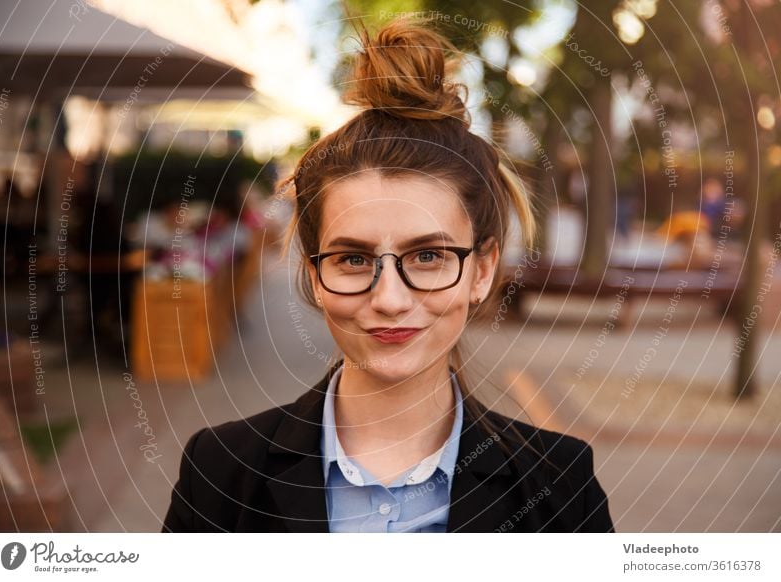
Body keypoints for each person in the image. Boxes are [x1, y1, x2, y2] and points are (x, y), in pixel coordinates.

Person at [161, 17, 615, 533]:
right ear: (313, 274)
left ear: (483, 270)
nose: (391, 299)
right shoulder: (220, 471)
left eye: (428, 257)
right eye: (353, 259)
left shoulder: (561, 485)